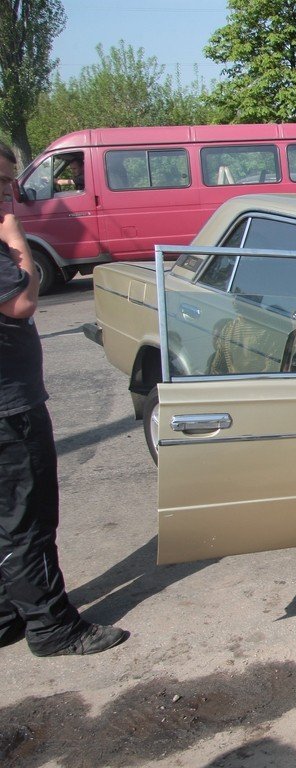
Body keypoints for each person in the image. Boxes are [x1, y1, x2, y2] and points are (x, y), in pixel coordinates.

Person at [0, 142, 128, 657]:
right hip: (10, 410)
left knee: (8, 517)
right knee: (27, 521)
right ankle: (53, 628)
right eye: (2, 184)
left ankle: (11, 611)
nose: (10, 196)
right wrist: (14, 238)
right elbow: (23, 301)